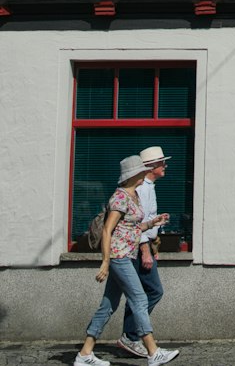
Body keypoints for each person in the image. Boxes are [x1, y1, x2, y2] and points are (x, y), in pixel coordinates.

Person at [74, 155, 180, 366]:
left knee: (108, 306)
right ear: (134, 175)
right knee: (140, 299)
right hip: (119, 256)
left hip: (126, 255)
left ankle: (85, 354)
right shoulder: (120, 198)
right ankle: (153, 352)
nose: (144, 174)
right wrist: (105, 262)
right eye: (141, 172)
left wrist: (152, 223)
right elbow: (107, 230)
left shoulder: (133, 196)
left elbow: (131, 228)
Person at [117, 146, 170, 359]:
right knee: (152, 291)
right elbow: (136, 223)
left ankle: (131, 336)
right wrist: (145, 250)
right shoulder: (142, 189)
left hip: (146, 246)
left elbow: (147, 220)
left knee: (140, 294)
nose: (165, 166)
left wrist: (154, 245)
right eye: (161, 163)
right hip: (139, 248)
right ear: (151, 166)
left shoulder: (149, 186)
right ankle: (130, 336)